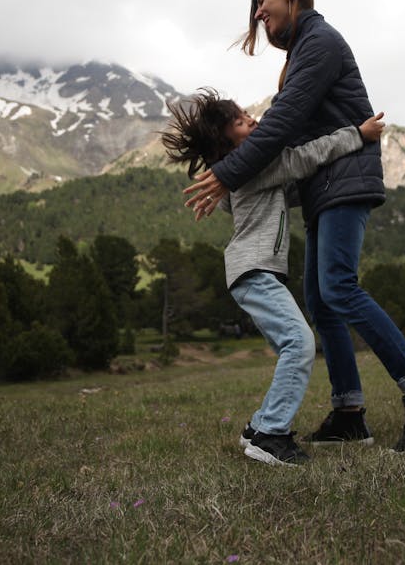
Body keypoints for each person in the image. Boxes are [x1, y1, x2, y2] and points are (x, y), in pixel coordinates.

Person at [183, 0, 405, 453]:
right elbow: (283, 143)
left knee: (337, 287)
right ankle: (349, 412)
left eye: (263, 2)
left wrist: (228, 173)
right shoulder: (299, 53)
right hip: (324, 185)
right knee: (319, 298)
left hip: (344, 174)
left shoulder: (320, 42)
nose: (259, 15)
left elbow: (283, 128)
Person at [161, 88, 385, 466]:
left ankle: (259, 427)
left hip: (252, 273)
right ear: (226, 144)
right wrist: (357, 136)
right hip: (254, 272)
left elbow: (289, 186)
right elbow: (303, 159)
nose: (250, 119)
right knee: (299, 343)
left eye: (245, 113)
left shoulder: (249, 173)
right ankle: (271, 435)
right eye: (239, 121)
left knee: (293, 343)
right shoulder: (255, 167)